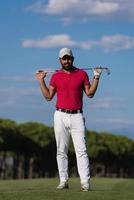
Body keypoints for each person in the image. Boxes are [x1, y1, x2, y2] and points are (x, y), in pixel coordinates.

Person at [36, 47, 102, 191]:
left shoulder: (82, 74)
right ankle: (63, 181)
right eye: (64, 58)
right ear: (60, 60)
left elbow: (90, 93)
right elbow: (48, 96)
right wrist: (41, 81)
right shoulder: (55, 76)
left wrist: (96, 77)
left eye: (69, 58)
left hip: (77, 116)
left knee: (81, 150)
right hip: (60, 115)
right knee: (61, 150)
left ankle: (85, 183)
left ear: (73, 58)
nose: (66, 60)